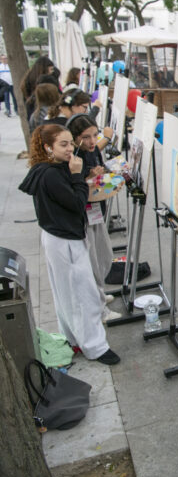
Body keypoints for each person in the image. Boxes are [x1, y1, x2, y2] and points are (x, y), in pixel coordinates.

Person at [18, 124, 120, 365]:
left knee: (67, 293)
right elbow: (75, 203)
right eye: (63, 145)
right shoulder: (51, 173)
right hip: (64, 239)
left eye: (70, 143)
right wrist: (77, 177)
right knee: (82, 293)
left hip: (58, 236)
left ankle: (74, 338)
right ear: (47, 148)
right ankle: (95, 346)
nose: (70, 149)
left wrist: (80, 177)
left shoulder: (48, 169)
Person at [67, 115, 120, 323]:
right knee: (94, 261)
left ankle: (99, 295)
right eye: (85, 137)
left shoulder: (91, 151)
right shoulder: (76, 158)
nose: (91, 141)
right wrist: (89, 179)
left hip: (97, 211)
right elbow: (77, 187)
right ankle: (99, 307)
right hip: (86, 215)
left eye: (94, 135)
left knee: (103, 256)